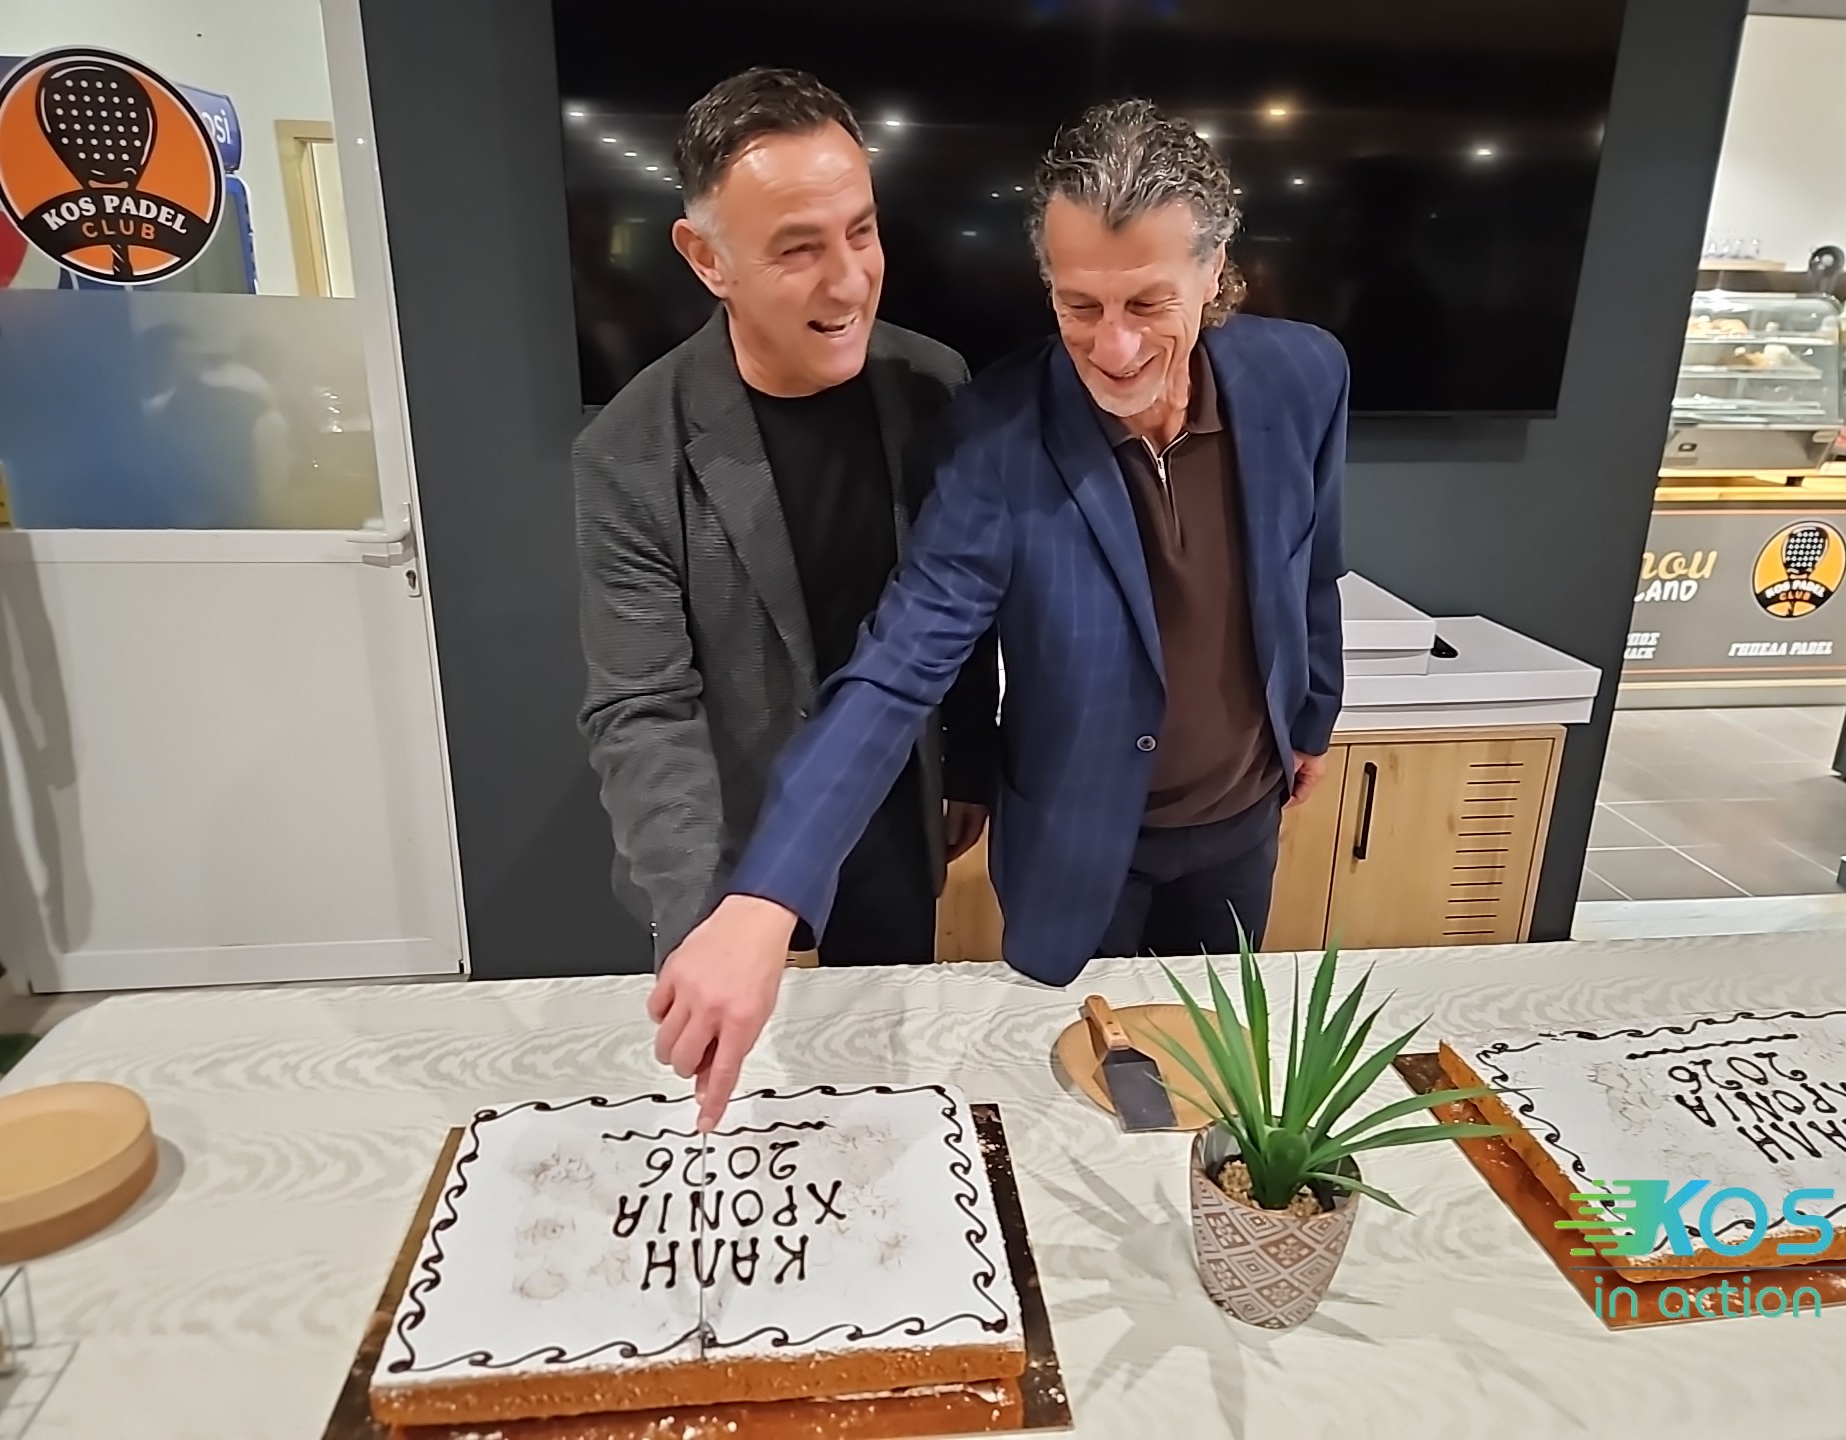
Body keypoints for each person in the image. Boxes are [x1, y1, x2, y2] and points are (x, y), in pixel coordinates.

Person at [655, 99, 1349, 1127]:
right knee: (1077, 1119)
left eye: (1148, 302)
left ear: (1213, 271)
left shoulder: (1305, 376)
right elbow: (898, 667)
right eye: (1079, 305)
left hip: (1242, 827)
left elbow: (1313, 562)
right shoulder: (994, 441)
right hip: (1078, 848)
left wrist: (1312, 715)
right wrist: (765, 899)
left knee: (1213, 1100)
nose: (1114, 346)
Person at [575, 68, 998, 970]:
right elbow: (642, 707)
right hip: (730, 844)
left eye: (862, 231)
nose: (849, 283)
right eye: (799, 250)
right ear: (707, 258)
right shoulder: (629, 452)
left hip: (893, 821)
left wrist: (969, 764)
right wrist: (700, 920)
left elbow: (963, 601)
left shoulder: (934, 386)